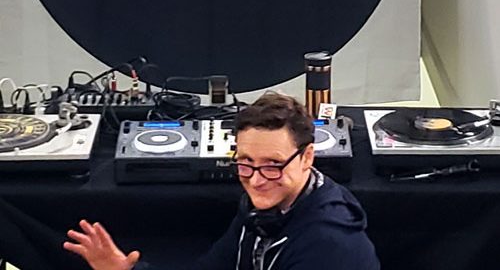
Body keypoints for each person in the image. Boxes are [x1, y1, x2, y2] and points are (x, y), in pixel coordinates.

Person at [64, 92, 380, 269]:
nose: (256, 181)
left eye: (273, 165)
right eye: (246, 163)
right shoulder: (261, 210)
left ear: (307, 157)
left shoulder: (331, 248)